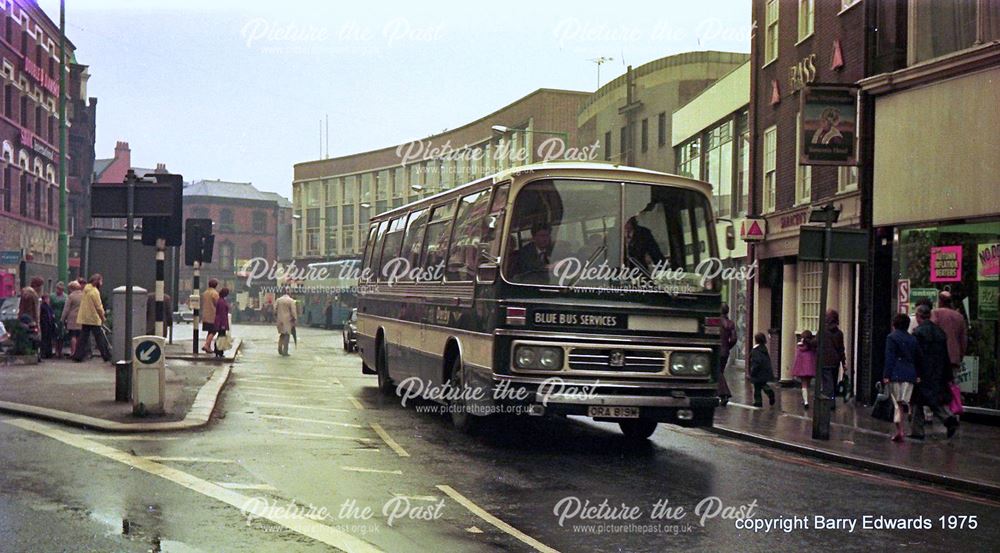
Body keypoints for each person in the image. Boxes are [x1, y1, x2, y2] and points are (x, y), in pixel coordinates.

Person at [911, 305, 960, 439]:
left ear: (919, 316)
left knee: (918, 400)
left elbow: (916, 355)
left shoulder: (918, 333)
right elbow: (945, 355)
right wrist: (947, 374)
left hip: (923, 372)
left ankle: (918, 431)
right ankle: (948, 419)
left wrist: (914, 372)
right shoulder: (939, 332)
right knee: (933, 400)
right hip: (938, 372)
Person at [884, 313, 922, 442]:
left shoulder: (891, 338)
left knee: (897, 404)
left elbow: (890, 358)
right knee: (907, 401)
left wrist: (886, 375)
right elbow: (918, 358)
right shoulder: (913, 339)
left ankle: (900, 430)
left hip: (896, 374)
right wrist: (918, 375)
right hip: (910, 374)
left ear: (894, 324)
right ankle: (909, 415)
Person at [73, 273, 111, 363]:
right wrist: (103, 317)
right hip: (93, 318)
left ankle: (78, 355)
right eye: (101, 281)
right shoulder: (94, 292)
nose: (102, 283)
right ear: (97, 281)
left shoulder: (86, 290)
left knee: (83, 338)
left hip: (85, 317)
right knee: (99, 337)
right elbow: (98, 306)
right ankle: (106, 355)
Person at [931, 291, 967, 377]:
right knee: (952, 384)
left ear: (940, 301)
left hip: (938, 357)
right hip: (954, 357)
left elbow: (931, 333)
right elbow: (963, 340)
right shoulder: (959, 316)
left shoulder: (935, 313)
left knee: (938, 384)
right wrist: (960, 355)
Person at [818, 309, 847, 409]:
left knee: (827, 383)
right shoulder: (839, 333)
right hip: (836, 361)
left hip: (825, 360)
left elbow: (815, 342)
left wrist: (806, 341)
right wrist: (844, 362)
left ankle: (829, 403)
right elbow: (841, 349)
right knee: (833, 382)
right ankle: (832, 401)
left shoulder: (823, 331)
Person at [792, 329, 818, 409]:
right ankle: (806, 399)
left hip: (802, 370)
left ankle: (805, 401)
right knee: (808, 384)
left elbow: (798, 360)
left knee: (803, 384)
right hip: (810, 369)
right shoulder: (812, 349)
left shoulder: (800, 348)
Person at [749, 333, 776, 408]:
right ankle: (760, 400)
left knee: (758, 387)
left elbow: (756, 362)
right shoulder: (764, 349)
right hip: (765, 370)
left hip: (758, 372)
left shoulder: (755, 351)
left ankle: (759, 401)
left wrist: (752, 371)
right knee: (761, 385)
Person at [717, 303, 736, 406]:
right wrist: (728, 347)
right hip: (725, 351)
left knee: (717, 372)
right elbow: (734, 339)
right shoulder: (730, 323)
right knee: (720, 372)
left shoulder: (716, 322)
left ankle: (724, 394)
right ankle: (720, 393)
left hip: (717, 351)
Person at [60, 281, 83, 358]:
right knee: (79, 336)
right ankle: (79, 352)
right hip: (81, 317)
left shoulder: (71, 296)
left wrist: (62, 319)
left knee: (73, 335)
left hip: (72, 318)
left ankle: (73, 352)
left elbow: (66, 309)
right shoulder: (83, 295)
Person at [201, 279, 220, 354]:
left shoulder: (205, 293)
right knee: (213, 331)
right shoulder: (214, 293)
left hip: (205, 315)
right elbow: (217, 304)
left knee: (209, 331)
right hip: (213, 315)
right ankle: (206, 345)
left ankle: (208, 346)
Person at [275, 291, 297, 356]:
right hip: (288, 320)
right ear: (289, 294)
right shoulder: (291, 301)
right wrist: (295, 318)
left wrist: (277, 316)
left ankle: (279, 347)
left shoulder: (278, 300)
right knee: (287, 335)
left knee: (282, 334)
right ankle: (285, 351)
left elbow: (274, 308)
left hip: (280, 319)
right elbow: (293, 311)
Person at [50, 282, 67, 357]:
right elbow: (50, 305)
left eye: (61, 289)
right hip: (54, 315)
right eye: (58, 289)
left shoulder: (66, 297)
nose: (59, 291)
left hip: (62, 314)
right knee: (55, 333)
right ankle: (56, 350)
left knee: (61, 334)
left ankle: (60, 350)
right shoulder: (52, 296)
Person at [214, 287, 231, 358]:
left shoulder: (220, 300)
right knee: (221, 336)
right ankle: (219, 350)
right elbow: (222, 314)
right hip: (222, 322)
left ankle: (219, 350)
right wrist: (223, 325)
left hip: (220, 321)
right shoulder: (221, 302)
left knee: (221, 336)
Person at [39, 294, 56, 359]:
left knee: (48, 339)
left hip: (49, 324)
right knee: (45, 339)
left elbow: (51, 314)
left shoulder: (49, 307)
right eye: (47, 299)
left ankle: (48, 353)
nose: (48, 300)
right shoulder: (42, 306)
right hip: (44, 324)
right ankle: (44, 353)